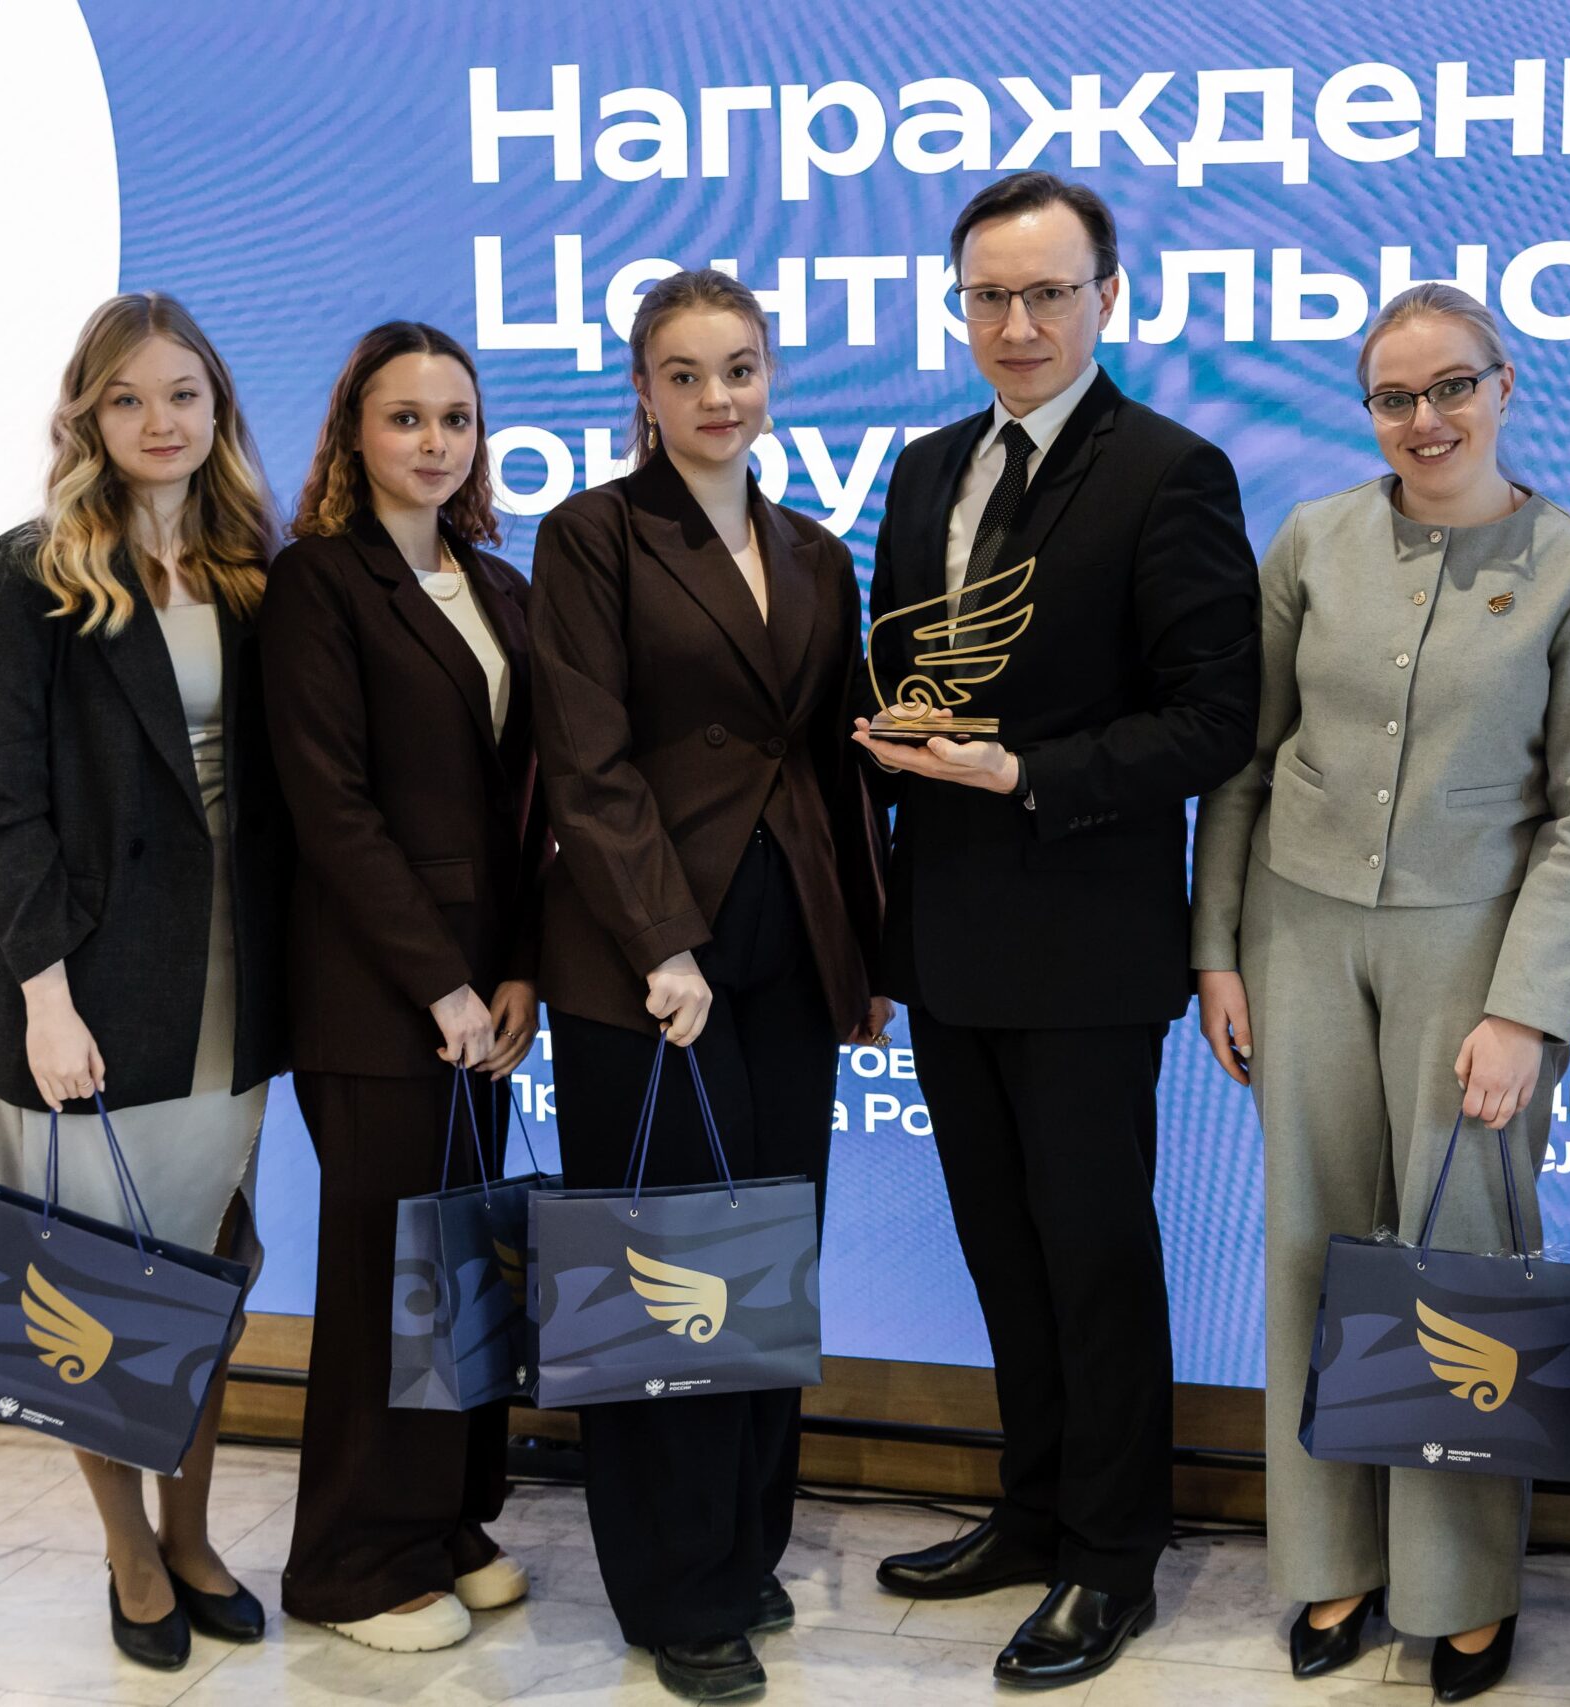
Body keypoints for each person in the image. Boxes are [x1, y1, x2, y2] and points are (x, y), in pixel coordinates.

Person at [1190, 284, 1570, 1697]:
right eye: (1395, 397)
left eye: (1452, 387)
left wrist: (1528, 1010)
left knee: (1463, 1263)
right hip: (1299, 934)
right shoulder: (1313, 540)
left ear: (1505, 387)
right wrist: (1217, 948)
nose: (1425, 419)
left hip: (1476, 958)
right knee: (1312, 1250)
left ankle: (1462, 1587)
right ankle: (1332, 1562)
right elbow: (1246, 760)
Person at [859, 171, 1260, 1689]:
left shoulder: (1171, 471)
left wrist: (1026, 773)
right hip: (948, 933)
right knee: (1002, 1252)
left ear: (1108, 298)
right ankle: (1030, 1510)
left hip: (1088, 943)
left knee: (1095, 1258)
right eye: (989, 296)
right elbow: (908, 678)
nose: (1016, 323)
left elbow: (1214, 720)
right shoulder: (924, 469)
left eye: (1046, 293)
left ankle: (1112, 1552)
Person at [527, 266, 887, 1703]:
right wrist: (660, 943)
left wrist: (864, 954)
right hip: (648, 960)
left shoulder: (815, 553)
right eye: (684, 374)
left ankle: (742, 1550)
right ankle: (674, 1591)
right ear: (642, 391)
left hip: (790, 951)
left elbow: (836, 770)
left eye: (738, 368)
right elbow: (586, 760)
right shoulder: (592, 536)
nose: (716, 396)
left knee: (766, 1261)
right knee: (667, 1276)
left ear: (770, 376)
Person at [0, 292, 288, 1670]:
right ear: (87, 417)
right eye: (129, 398)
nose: (160, 422)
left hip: (229, 982)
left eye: (183, 395)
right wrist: (43, 997)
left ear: (218, 410)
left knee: (207, 1273)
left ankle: (192, 1536)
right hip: (80, 990)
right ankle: (128, 1550)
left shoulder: (251, 569)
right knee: (89, 1292)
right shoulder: (29, 571)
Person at [260, 322, 547, 1653]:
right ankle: (350, 1562)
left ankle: (446, 1519)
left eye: (456, 419)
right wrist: (439, 983)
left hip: (486, 994)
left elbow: (527, 805)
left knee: (466, 1264)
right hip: (375, 994)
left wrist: (518, 967)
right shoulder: (318, 584)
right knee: (390, 1275)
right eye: (405, 418)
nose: (435, 442)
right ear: (353, 433)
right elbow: (331, 805)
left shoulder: (499, 586)